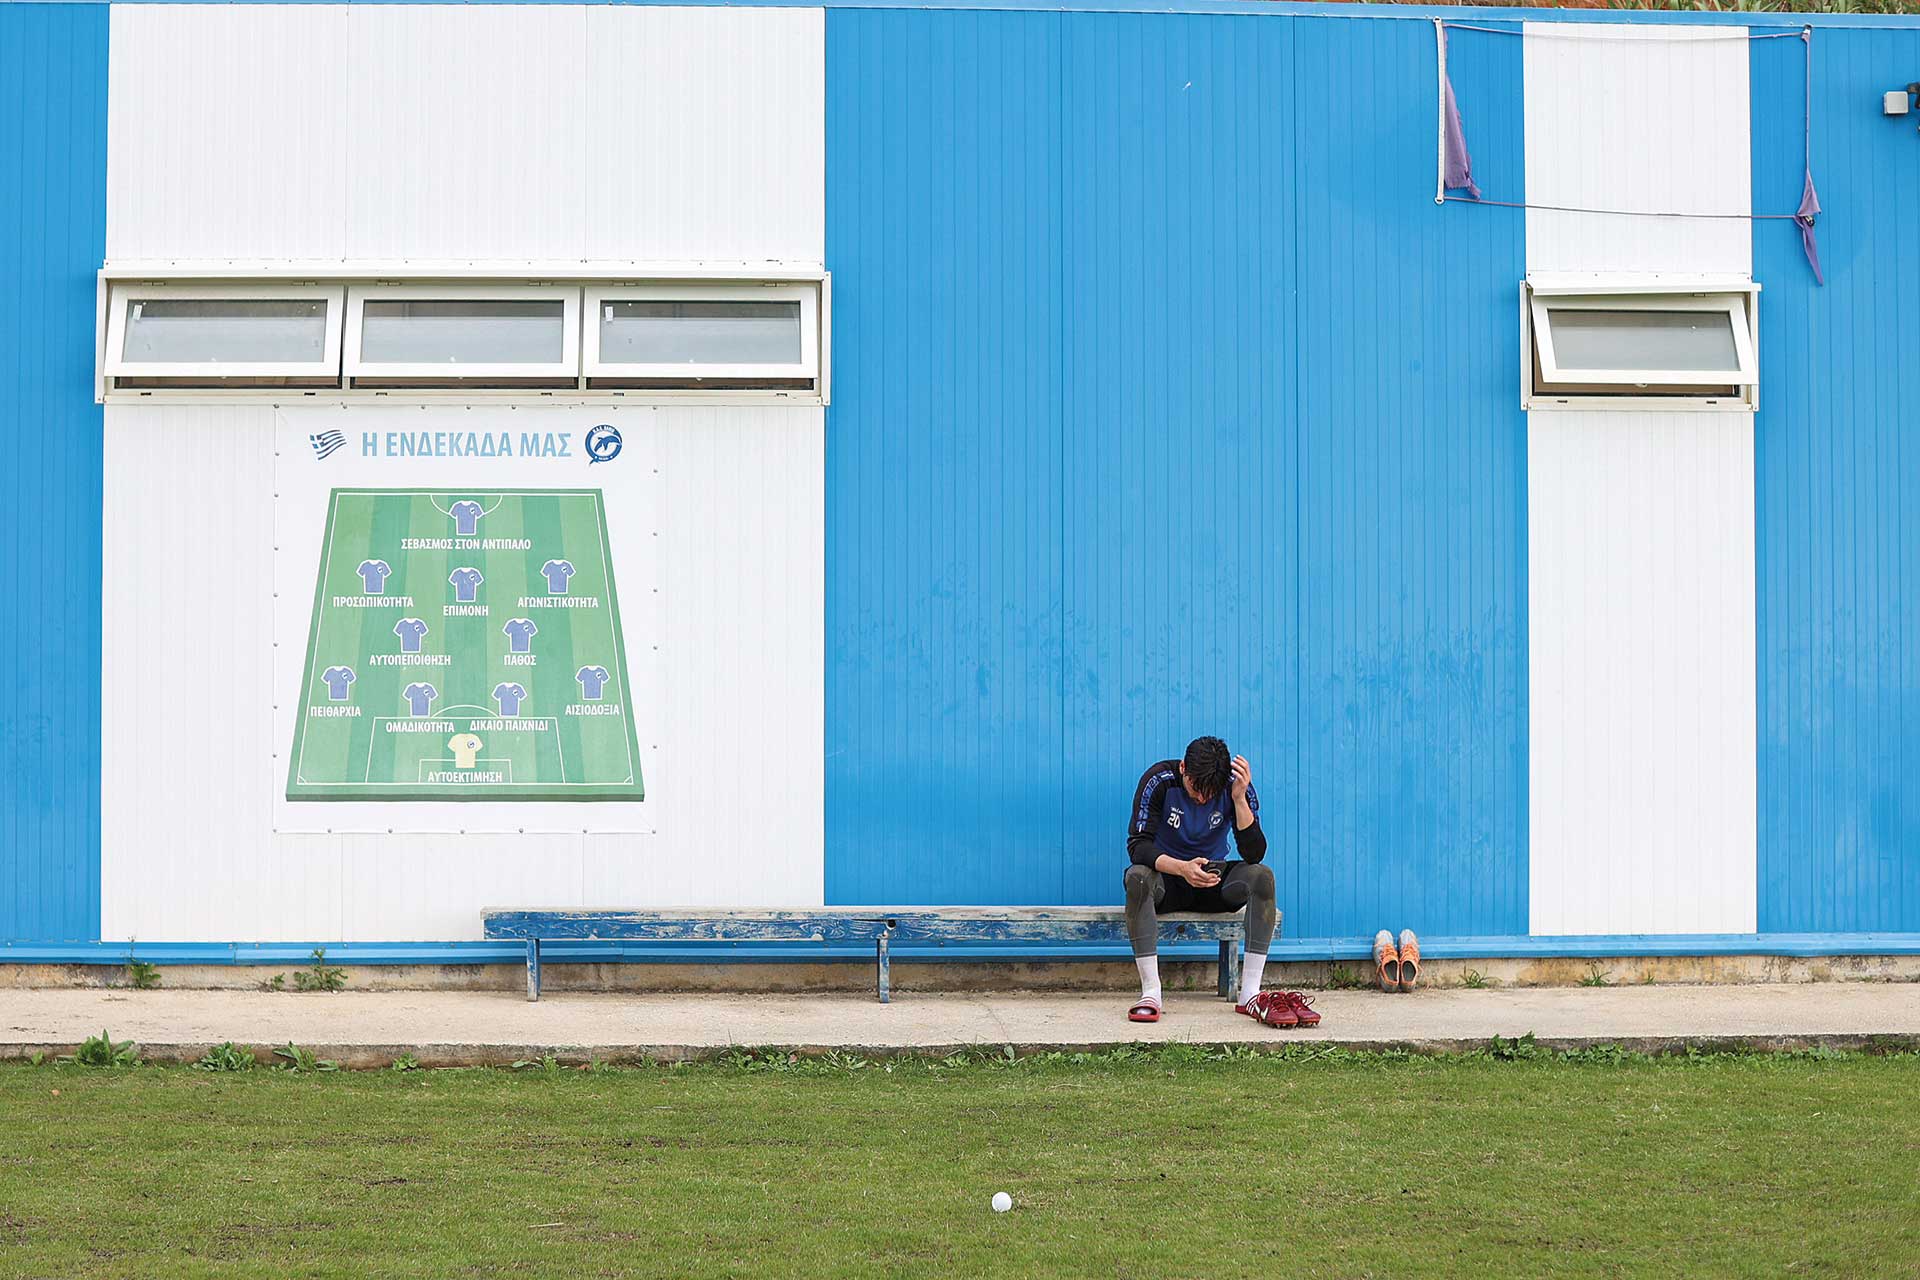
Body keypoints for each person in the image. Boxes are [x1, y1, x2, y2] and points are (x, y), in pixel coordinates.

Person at [1122, 736, 1317, 1028]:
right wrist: (1182, 868)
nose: (1201, 799)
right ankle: (1151, 992)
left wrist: (1238, 798)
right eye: (1195, 789)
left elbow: (1254, 853)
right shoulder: (1158, 780)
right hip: (1169, 880)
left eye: (1209, 794)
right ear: (1184, 768)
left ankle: (1249, 994)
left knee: (1262, 876)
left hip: (1214, 882)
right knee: (1136, 877)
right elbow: (1138, 846)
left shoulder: (1235, 786)